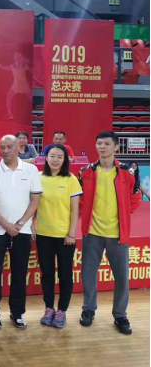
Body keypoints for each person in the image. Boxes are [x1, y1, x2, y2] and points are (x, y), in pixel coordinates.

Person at [79, 131, 141, 335]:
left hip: (118, 234)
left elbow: (135, 198)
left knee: (122, 277)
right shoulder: (86, 171)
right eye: (99, 143)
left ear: (116, 147)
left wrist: (123, 215)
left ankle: (120, 314)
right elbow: (80, 199)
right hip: (92, 232)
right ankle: (88, 309)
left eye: (107, 144)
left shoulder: (127, 172)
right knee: (88, 274)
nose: (102, 147)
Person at [0, 135, 42, 329]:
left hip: (22, 230)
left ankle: (17, 312)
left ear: (19, 147)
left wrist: (20, 223)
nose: (5, 150)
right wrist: (5, 224)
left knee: (19, 271)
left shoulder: (31, 170)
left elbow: (35, 200)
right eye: (2, 147)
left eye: (9, 146)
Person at [32, 144, 82, 329]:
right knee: (47, 274)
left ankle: (61, 310)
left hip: (64, 237)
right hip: (43, 234)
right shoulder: (38, 177)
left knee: (65, 275)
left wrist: (71, 233)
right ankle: (48, 308)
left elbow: (75, 209)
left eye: (60, 157)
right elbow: (33, 205)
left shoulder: (71, 179)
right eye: (52, 156)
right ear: (46, 157)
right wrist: (32, 226)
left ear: (65, 159)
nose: (55, 160)